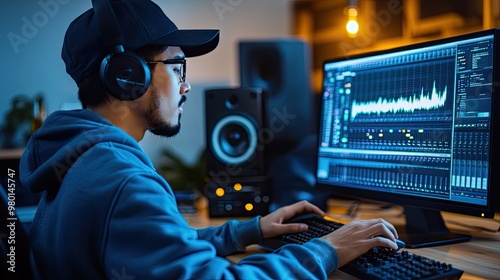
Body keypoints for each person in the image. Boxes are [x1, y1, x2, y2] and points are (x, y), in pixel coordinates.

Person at [20, 0, 399, 279]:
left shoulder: (79, 159)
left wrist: (250, 230)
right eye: (177, 66)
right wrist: (327, 249)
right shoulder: (123, 180)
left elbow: (156, 245)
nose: (186, 85)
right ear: (127, 76)